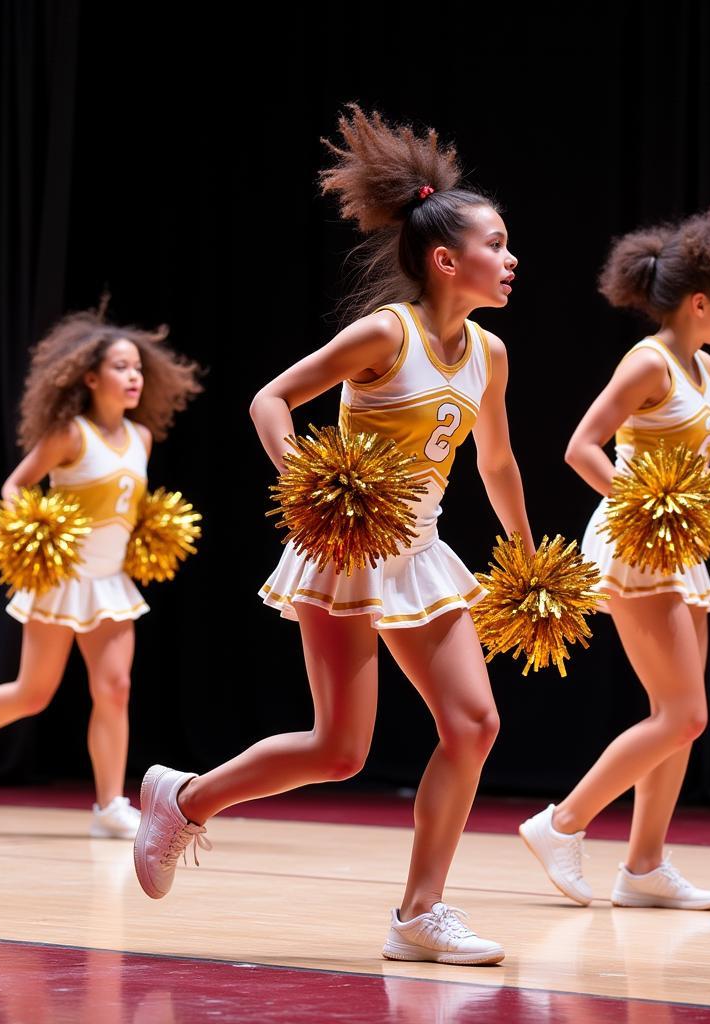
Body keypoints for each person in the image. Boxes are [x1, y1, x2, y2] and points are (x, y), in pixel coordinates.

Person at [133, 106, 532, 965]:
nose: (510, 260)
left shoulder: (490, 357)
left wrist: (527, 553)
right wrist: (308, 485)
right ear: (445, 259)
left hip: (421, 553)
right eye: (497, 244)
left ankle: (419, 914)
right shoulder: (385, 334)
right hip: (349, 552)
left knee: (473, 725)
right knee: (341, 750)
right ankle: (185, 799)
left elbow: (496, 463)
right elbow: (269, 400)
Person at [519, 203, 710, 909]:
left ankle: (645, 868)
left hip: (679, 545)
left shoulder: (704, 367)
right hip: (637, 542)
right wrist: (647, 500)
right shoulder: (647, 362)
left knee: (678, 711)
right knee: (684, 716)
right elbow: (582, 447)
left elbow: (686, 459)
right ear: (698, 302)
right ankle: (560, 822)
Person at [0, 307, 202, 838]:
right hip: (61, 580)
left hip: (111, 581)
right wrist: (36, 535)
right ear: (90, 378)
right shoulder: (70, 434)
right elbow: (16, 486)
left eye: (137, 367)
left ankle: (109, 806)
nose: (133, 376)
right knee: (33, 692)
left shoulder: (141, 438)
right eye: (120, 366)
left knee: (114, 688)